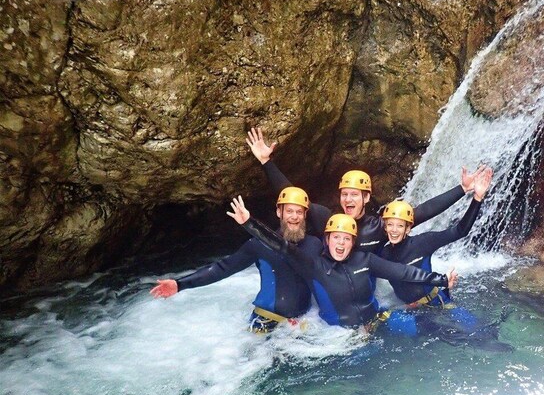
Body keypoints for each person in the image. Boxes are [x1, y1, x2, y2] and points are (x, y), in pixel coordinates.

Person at [227, 198, 458, 330]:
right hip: (336, 339)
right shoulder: (314, 265)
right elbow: (281, 246)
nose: (341, 242)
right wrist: (250, 224)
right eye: (336, 237)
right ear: (326, 240)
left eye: (346, 238)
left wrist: (440, 279)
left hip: (374, 324)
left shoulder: (365, 260)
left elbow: (403, 271)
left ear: (352, 242)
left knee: (420, 331)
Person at [245, 127, 485, 254]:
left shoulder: (379, 227)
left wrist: (462, 189)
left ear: (366, 197)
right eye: (345, 194)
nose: (348, 199)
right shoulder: (326, 219)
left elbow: (422, 212)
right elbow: (292, 197)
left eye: (354, 194)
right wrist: (267, 163)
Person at [150, 187, 321, 334]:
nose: (294, 217)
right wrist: (180, 284)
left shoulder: (315, 245)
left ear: (305, 214)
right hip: (266, 321)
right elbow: (222, 268)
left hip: (303, 321)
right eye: (289, 211)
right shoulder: (258, 245)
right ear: (279, 212)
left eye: (299, 212)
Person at [381, 166, 493, 311]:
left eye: (400, 226)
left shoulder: (423, 242)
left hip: (437, 302)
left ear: (408, 228)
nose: (394, 230)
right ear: (385, 227)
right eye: (390, 225)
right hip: (409, 310)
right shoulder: (383, 254)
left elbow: (460, 231)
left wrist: (477, 198)